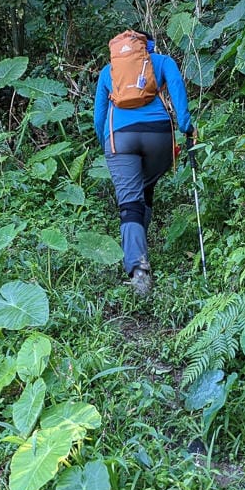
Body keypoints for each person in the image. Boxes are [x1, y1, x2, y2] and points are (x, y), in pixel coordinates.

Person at [93, 30, 193, 296]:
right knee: (144, 188)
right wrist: (186, 127)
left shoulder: (108, 71)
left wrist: (107, 141)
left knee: (130, 202)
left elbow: (99, 117)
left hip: (120, 139)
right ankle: (141, 243)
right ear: (148, 47)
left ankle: (139, 271)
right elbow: (178, 94)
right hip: (159, 137)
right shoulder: (162, 62)